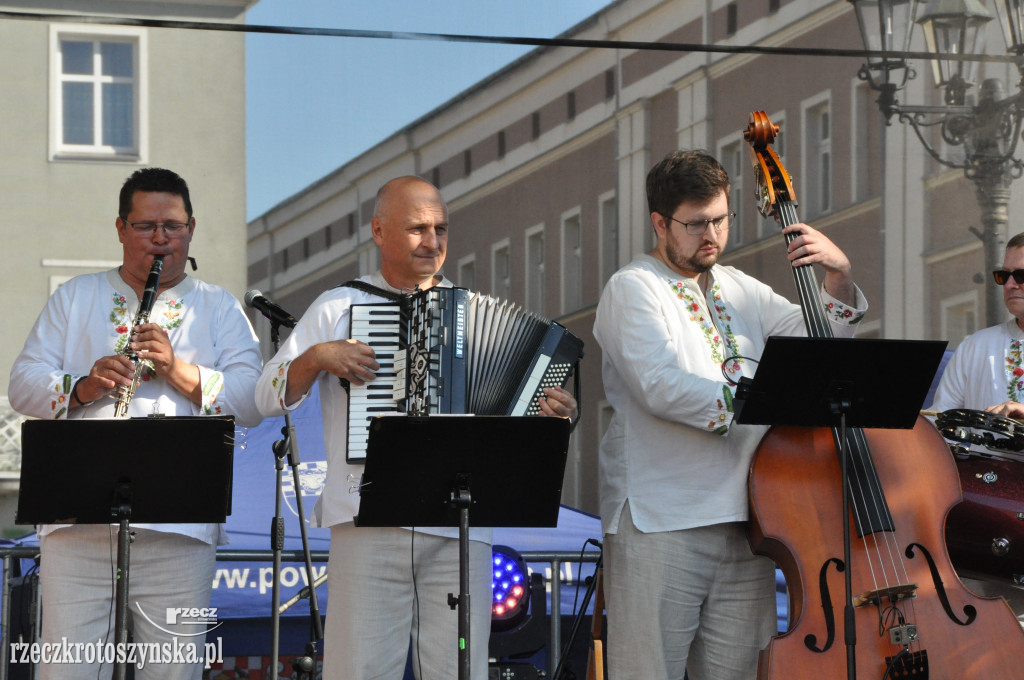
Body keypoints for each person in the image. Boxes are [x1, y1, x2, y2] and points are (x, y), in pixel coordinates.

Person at [253, 175, 577, 680]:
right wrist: (316, 357)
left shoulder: (473, 313)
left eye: (441, 228)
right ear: (379, 232)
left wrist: (549, 416)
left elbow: (507, 426)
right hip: (369, 518)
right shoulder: (338, 306)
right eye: (417, 229)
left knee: (457, 671)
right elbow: (265, 397)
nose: (432, 241)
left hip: (461, 522)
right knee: (359, 669)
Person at [592, 150, 868, 680]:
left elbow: (819, 345)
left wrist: (837, 274)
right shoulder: (633, 287)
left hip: (750, 523)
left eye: (720, 219)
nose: (711, 235)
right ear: (659, 223)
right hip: (661, 522)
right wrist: (765, 397)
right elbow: (661, 385)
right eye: (695, 224)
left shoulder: (740, 287)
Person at [9, 167, 264, 680]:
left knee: (174, 670)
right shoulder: (74, 296)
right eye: (147, 226)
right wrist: (84, 386)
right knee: (68, 670)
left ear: (191, 228)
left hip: (180, 522)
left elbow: (253, 401)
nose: (161, 239)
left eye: (172, 226)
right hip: (78, 520)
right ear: (121, 228)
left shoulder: (218, 306)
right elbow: (21, 385)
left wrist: (177, 370)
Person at [930, 230, 1024, 617]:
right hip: (985, 512)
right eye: (1005, 276)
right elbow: (940, 427)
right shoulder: (975, 345)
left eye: (1023, 275)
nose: (1013, 284)